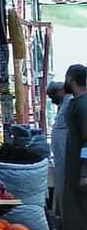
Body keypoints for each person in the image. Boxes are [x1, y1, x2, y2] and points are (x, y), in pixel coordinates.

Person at [61, 64, 87, 230]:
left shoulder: (83, 105)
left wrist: (84, 172)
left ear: (71, 78)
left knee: (80, 220)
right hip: (75, 172)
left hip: (81, 174)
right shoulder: (77, 103)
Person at [48, 79, 72, 220]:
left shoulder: (69, 102)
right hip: (63, 157)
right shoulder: (67, 103)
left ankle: (66, 217)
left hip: (65, 157)